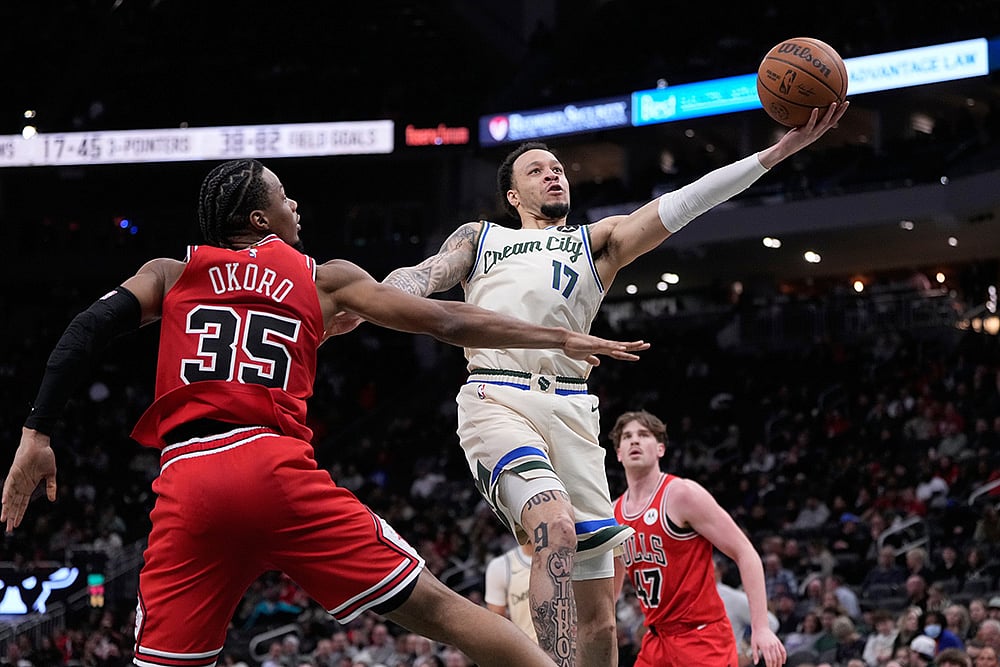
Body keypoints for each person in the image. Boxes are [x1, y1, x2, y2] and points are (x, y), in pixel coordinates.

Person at [1, 159, 649, 667]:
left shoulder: (172, 272)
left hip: (188, 482)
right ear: (259, 218)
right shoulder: (321, 275)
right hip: (274, 468)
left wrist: (36, 432)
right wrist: (557, 337)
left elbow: (87, 328)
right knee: (447, 612)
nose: (296, 204)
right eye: (284, 197)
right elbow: (446, 317)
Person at [382, 101, 848, 667]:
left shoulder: (596, 242)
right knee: (553, 526)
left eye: (558, 167)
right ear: (512, 196)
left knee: (601, 618)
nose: (554, 173)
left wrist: (773, 155)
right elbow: (421, 276)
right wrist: (371, 298)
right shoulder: (481, 238)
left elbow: (681, 205)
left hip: (575, 411)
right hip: (497, 394)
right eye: (537, 169)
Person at [609, 410, 787, 667]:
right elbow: (611, 588)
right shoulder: (614, 513)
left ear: (660, 449)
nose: (634, 441)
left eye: (643, 435)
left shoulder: (682, 494)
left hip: (702, 637)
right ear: (618, 453)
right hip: (656, 641)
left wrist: (761, 627)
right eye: (627, 437)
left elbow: (745, 551)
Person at [484, 541, 537, 642]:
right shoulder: (500, 567)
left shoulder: (568, 551)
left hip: (573, 648)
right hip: (532, 653)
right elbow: (498, 627)